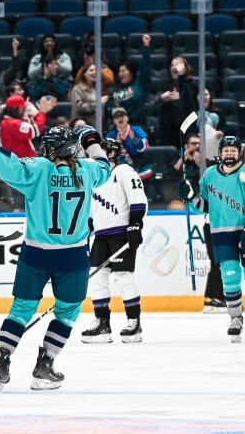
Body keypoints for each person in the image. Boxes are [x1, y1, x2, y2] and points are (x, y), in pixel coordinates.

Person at [0, 119, 110, 391]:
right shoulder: (87, 171)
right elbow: (106, 166)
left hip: (35, 254)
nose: (43, 152)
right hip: (72, 257)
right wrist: (92, 141)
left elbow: (6, 163)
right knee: (66, 313)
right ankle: (45, 365)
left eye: (48, 147)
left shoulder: (37, 169)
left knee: (21, 309)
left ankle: (1, 362)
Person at [178, 136, 245, 343]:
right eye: (226, 150)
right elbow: (205, 206)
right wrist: (190, 196)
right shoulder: (210, 175)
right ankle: (235, 319)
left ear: (238, 152)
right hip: (222, 233)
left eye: (233, 150)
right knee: (229, 277)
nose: (229, 153)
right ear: (220, 153)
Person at [82, 137, 148, 343]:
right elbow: (92, 211)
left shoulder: (124, 172)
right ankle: (102, 324)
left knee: (123, 275)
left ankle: (133, 322)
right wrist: (86, 231)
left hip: (121, 233)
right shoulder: (94, 178)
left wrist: (135, 224)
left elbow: (138, 199)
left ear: (110, 152)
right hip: (101, 236)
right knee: (97, 278)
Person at [106, 34, 153, 127]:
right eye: (119, 71)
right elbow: (109, 110)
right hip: (118, 127)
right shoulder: (114, 90)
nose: (120, 73)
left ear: (131, 73)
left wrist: (146, 47)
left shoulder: (139, 85)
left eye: (123, 70)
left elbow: (145, 68)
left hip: (137, 126)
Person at [154, 56, 198, 147]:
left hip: (187, 127)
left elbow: (191, 107)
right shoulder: (165, 84)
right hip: (168, 130)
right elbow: (154, 105)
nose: (174, 67)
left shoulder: (192, 85)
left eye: (178, 64)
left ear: (185, 68)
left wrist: (181, 77)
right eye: (172, 65)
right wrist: (162, 98)